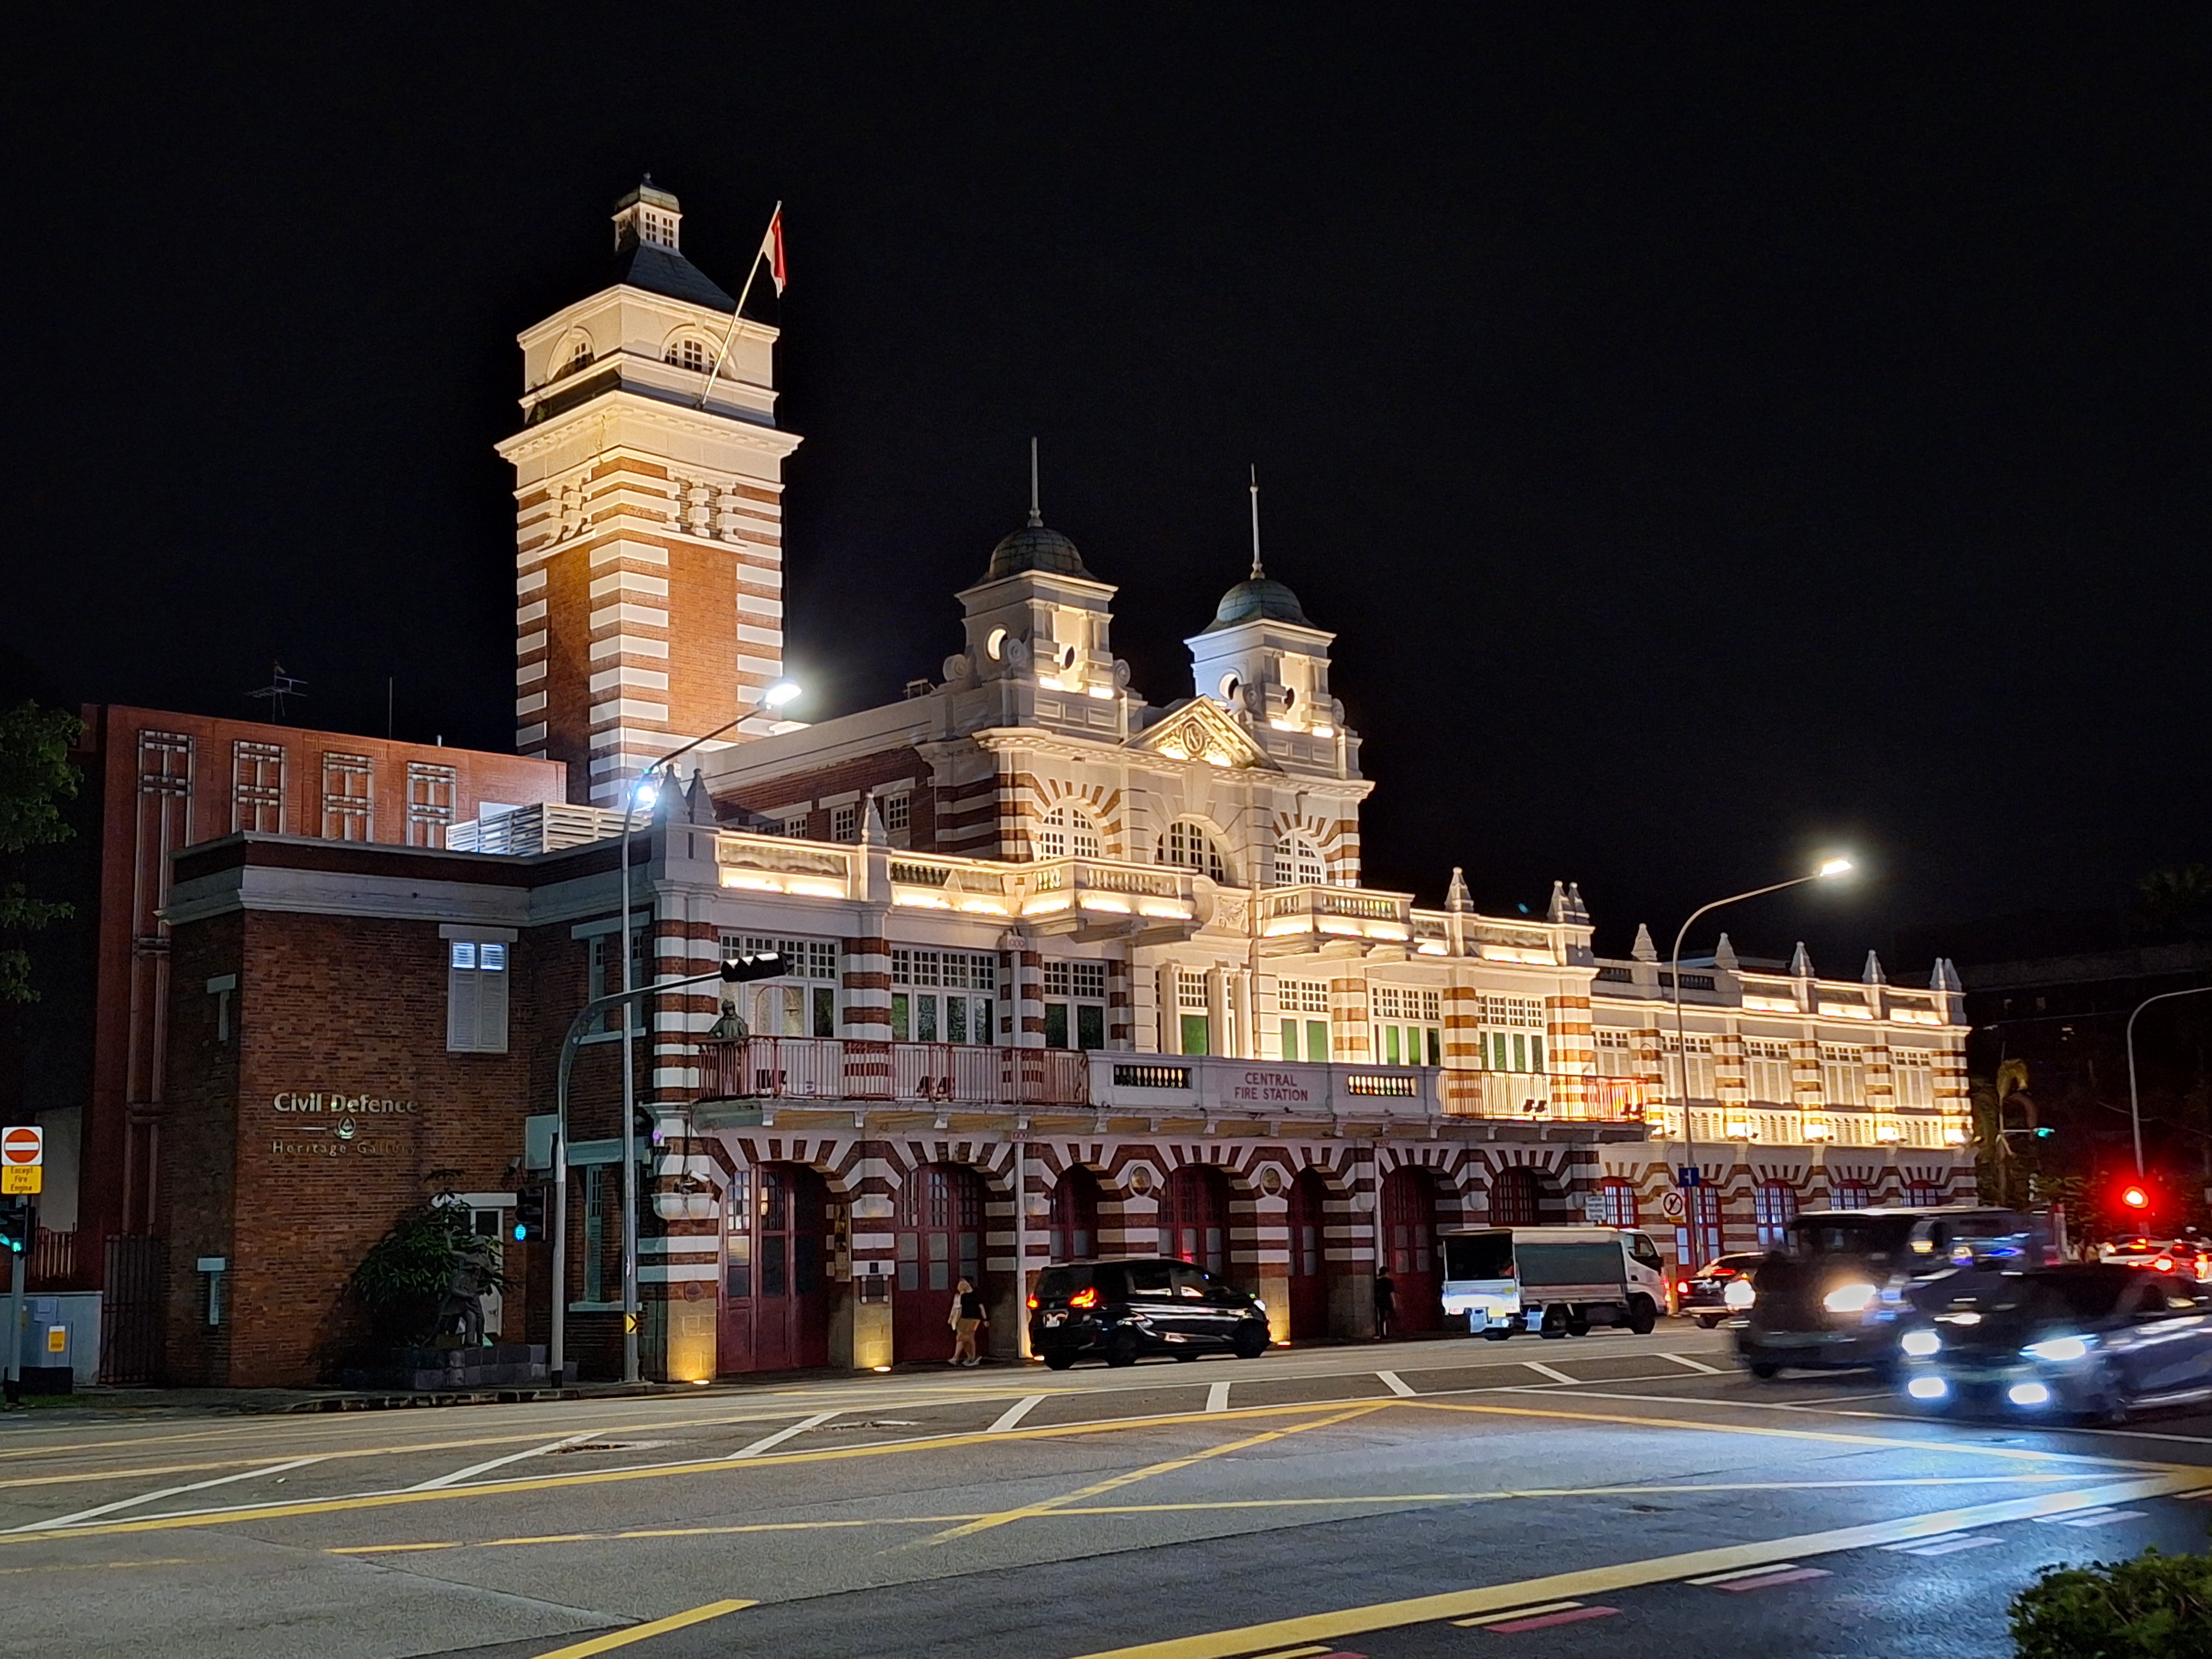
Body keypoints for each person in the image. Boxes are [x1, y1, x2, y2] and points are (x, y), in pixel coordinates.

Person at [950, 1277, 986, 1366]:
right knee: (965, 1338)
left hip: (974, 1318)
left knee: (964, 1337)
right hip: (964, 1318)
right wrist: (953, 1318)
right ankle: (970, 1358)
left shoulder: (976, 1294)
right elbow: (958, 1308)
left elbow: (981, 1307)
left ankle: (957, 1358)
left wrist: (985, 1319)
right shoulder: (962, 1296)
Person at [1373, 1268, 1397, 1340]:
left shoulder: (1377, 1282)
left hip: (1380, 1301)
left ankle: (1382, 1334)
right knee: (1389, 1317)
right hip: (1387, 1301)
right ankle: (1389, 1332)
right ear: (1386, 1273)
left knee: (1382, 1318)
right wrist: (1394, 1303)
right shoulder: (1389, 1282)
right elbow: (1392, 1293)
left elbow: (1375, 1292)